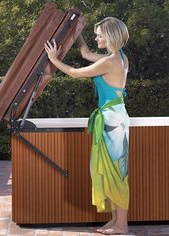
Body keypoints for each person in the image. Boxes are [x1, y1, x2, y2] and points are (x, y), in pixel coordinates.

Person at [45, 17, 130, 235]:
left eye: (100, 35)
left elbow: (74, 73)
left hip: (112, 121)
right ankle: (115, 220)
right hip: (114, 117)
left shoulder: (110, 62)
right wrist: (76, 32)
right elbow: (85, 54)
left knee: (116, 172)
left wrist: (53, 59)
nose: (96, 38)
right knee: (109, 169)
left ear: (110, 36)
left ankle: (122, 225)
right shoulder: (118, 57)